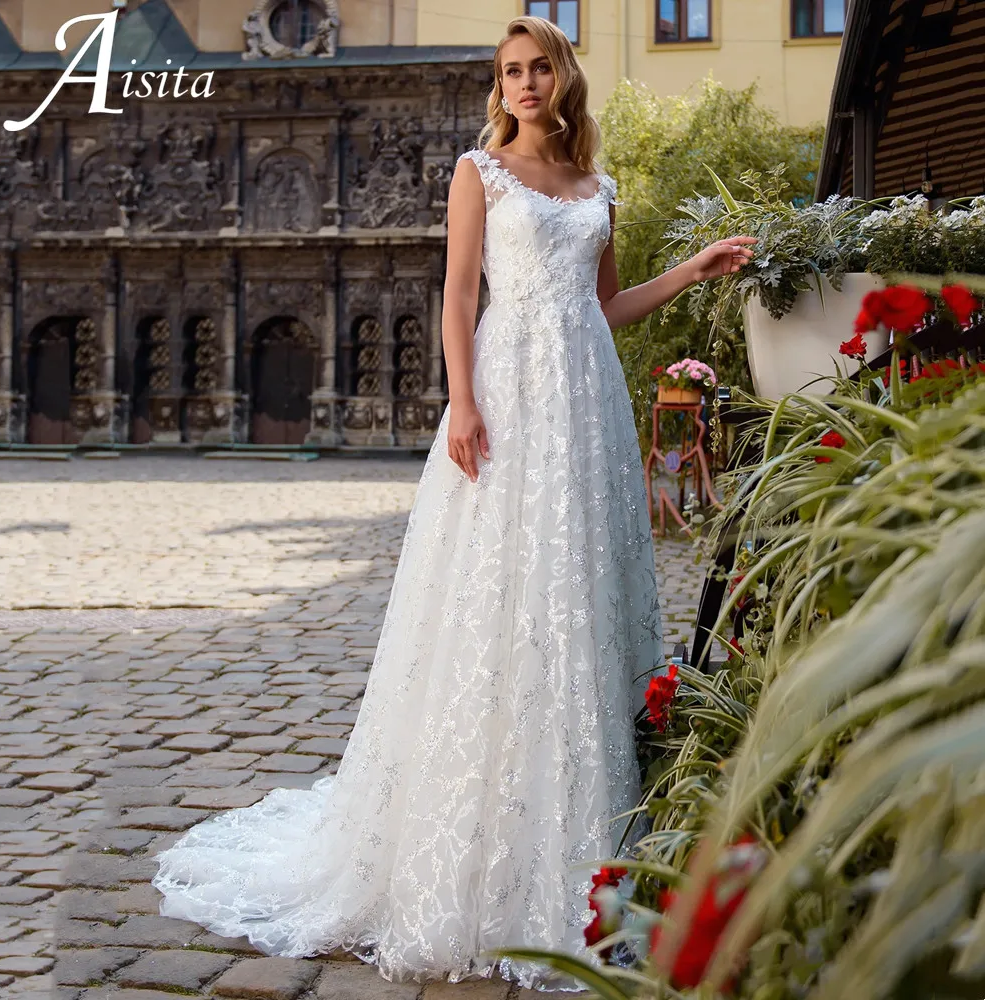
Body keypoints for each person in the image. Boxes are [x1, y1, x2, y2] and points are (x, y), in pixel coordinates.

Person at [151, 14, 755, 994]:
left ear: (564, 78)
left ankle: (578, 823)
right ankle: (468, 837)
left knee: (579, 593)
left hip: (587, 402)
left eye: (538, 68)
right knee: (495, 592)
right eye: (510, 71)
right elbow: (457, 294)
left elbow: (600, 306)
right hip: (510, 395)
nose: (523, 83)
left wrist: (691, 272)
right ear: (501, 86)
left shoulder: (600, 185)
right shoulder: (479, 173)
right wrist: (463, 400)